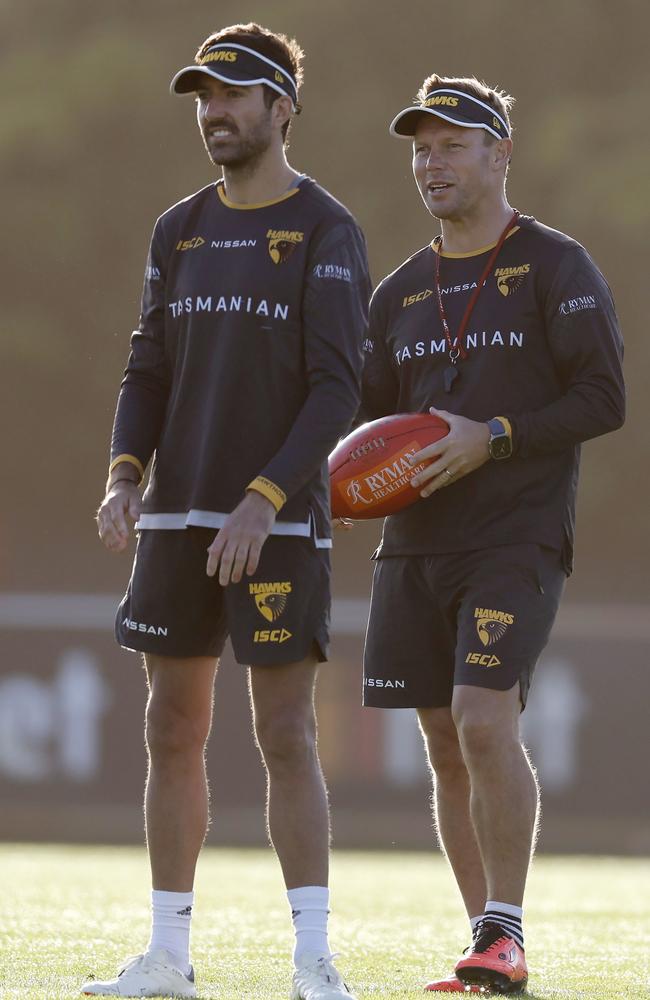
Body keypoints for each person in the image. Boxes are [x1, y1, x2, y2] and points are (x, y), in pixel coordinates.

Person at [87, 22, 369, 1000]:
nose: (213, 112)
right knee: (171, 724)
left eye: (233, 94)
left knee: (284, 732)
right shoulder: (179, 228)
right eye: (203, 96)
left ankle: (312, 959)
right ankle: (168, 954)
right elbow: (147, 366)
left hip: (278, 523)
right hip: (175, 523)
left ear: (281, 107)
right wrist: (125, 476)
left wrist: (261, 499)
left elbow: (338, 391)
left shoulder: (326, 229)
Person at [361, 74, 624, 994]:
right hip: (416, 546)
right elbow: (364, 424)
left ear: (500, 154)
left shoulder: (556, 265)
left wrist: (494, 438)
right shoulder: (395, 294)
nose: (431, 163)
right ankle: (483, 942)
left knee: (482, 718)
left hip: (517, 534)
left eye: (452, 145)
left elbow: (606, 398)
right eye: (420, 149)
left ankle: (505, 931)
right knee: (440, 737)